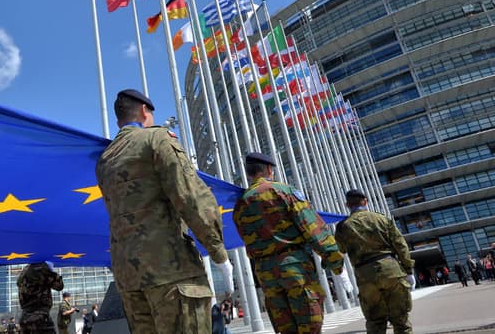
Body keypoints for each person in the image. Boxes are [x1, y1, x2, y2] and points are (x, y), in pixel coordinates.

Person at [95, 89, 235, 334]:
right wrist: (218, 253)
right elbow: (191, 196)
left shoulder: (105, 159)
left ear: (119, 120)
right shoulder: (157, 139)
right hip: (171, 272)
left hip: (129, 279)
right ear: (143, 110)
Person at [233, 152, 344, 334]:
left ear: (249, 173)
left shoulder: (240, 203)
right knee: (309, 325)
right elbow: (312, 227)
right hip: (294, 266)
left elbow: (245, 238)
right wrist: (334, 258)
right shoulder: (283, 191)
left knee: (286, 329)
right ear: (269, 169)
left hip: (265, 273)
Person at [334, 189, 414, 334]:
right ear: (365, 201)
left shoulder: (342, 227)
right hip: (391, 271)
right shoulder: (382, 219)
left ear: (347, 205)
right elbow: (401, 246)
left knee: (375, 322)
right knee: (401, 321)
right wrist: (408, 269)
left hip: (365, 276)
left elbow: (342, 249)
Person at [17, 261, 63, 334]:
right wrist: (50, 271)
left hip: (25, 316)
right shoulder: (42, 269)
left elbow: (19, 283)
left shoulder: (25, 271)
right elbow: (59, 286)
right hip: (40, 317)